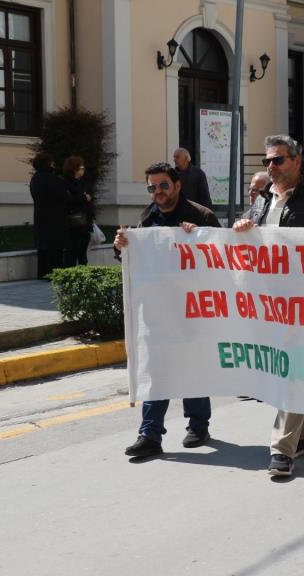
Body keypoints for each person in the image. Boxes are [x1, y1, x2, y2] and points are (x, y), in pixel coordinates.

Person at [233, 134, 304, 476]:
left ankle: (281, 448)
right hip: (269, 305)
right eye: (267, 161)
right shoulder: (262, 201)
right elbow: (243, 238)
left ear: (297, 160)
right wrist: (242, 226)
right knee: (286, 369)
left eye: (278, 160)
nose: (271, 166)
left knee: (292, 371)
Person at [118, 162, 220, 458]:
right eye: (152, 187)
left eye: (163, 185)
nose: (158, 192)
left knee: (192, 366)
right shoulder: (147, 218)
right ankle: (150, 434)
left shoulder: (201, 216)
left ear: (177, 185)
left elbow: (221, 257)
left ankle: (198, 425)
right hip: (158, 310)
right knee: (156, 368)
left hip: (193, 309)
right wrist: (121, 246)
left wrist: (199, 238)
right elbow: (137, 260)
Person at [29, 152, 69, 279]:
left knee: (43, 247)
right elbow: (62, 195)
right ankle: (54, 273)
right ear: (47, 163)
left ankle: (42, 273)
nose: (54, 164)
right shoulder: (51, 179)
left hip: (40, 216)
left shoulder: (35, 178)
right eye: (52, 162)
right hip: (54, 217)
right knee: (54, 247)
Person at [63, 156, 93, 266]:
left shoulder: (82, 183)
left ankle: (82, 271)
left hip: (85, 222)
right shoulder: (66, 183)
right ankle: (70, 272)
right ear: (74, 168)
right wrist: (84, 197)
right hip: (74, 223)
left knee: (82, 253)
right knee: (72, 251)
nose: (83, 169)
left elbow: (88, 197)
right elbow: (68, 200)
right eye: (81, 167)